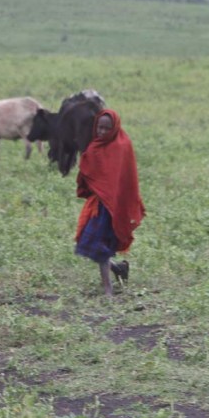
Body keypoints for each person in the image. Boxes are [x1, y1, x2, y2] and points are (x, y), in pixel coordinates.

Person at [74, 109, 145, 296]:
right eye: (100, 127)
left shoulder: (122, 146)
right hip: (99, 205)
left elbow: (126, 180)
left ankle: (108, 289)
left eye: (107, 128)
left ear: (114, 128)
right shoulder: (95, 146)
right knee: (90, 243)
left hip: (114, 207)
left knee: (100, 245)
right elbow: (88, 173)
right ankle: (118, 268)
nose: (102, 132)